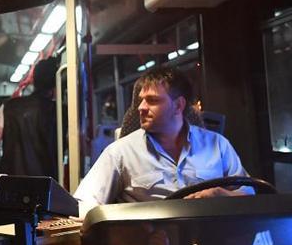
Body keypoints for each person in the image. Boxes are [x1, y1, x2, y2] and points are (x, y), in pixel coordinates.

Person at [75, 66, 251, 216]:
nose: (141, 107)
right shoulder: (120, 152)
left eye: (152, 100)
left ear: (178, 105)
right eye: (141, 100)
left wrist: (220, 195)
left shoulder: (218, 145)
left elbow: (250, 195)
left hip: (208, 240)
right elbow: (85, 203)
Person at [0, 57, 59, 178]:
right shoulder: (59, 111)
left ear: (34, 81)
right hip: (47, 182)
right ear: (56, 83)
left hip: (12, 180)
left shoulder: (9, 106)